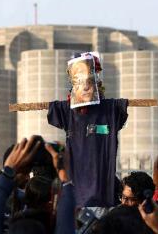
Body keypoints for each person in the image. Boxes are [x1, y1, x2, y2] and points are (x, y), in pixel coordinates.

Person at [48, 52, 128, 208]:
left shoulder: (110, 110)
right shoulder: (66, 110)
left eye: (90, 81)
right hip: (76, 196)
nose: (85, 87)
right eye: (79, 82)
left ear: (98, 83)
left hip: (103, 195)